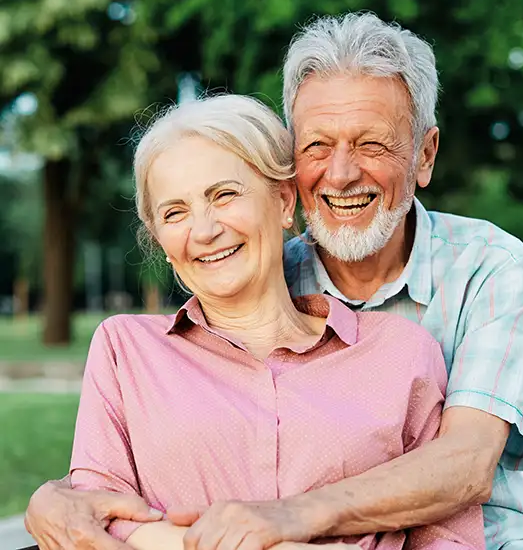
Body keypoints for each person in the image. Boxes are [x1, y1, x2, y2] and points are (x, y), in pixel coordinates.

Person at [25, 12, 523, 550]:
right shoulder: (250, 273)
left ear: (424, 154)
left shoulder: (485, 271)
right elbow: (100, 503)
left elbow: (465, 464)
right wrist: (51, 497)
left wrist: (283, 522)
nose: (342, 174)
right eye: (317, 147)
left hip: (495, 534)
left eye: (371, 145)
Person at [62, 94, 483, 550]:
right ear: (161, 240)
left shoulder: (401, 353)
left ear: (284, 201)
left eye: (224, 195)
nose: (203, 231)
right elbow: (92, 521)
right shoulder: (125, 351)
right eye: (175, 212)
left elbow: (448, 536)